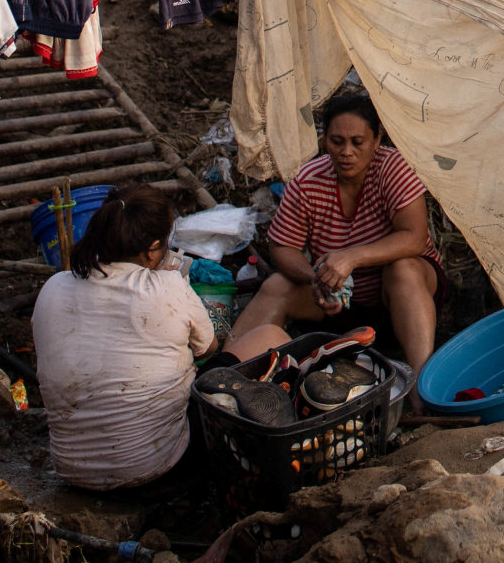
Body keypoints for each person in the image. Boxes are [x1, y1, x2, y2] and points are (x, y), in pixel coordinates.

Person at [31, 185, 288, 491]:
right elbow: (210, 347)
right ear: (153, 249)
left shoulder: (54, 286)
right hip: (159, 471)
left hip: (72, 472)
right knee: (270, 336)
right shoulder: (167, 286)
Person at [231, 92, 444, 377]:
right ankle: (223, 375)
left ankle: (421, 383)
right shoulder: (307, 181)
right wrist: (314, 278)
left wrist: (351, 257)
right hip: (337, 305)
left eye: (357, 143)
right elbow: (282, 247)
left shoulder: (394, 169)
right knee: (277, 286)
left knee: (402, 268)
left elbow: (415, 238)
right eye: (337, 141)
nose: (347, 152)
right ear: (325, 140)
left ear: (377, 140)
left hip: (399, 298)